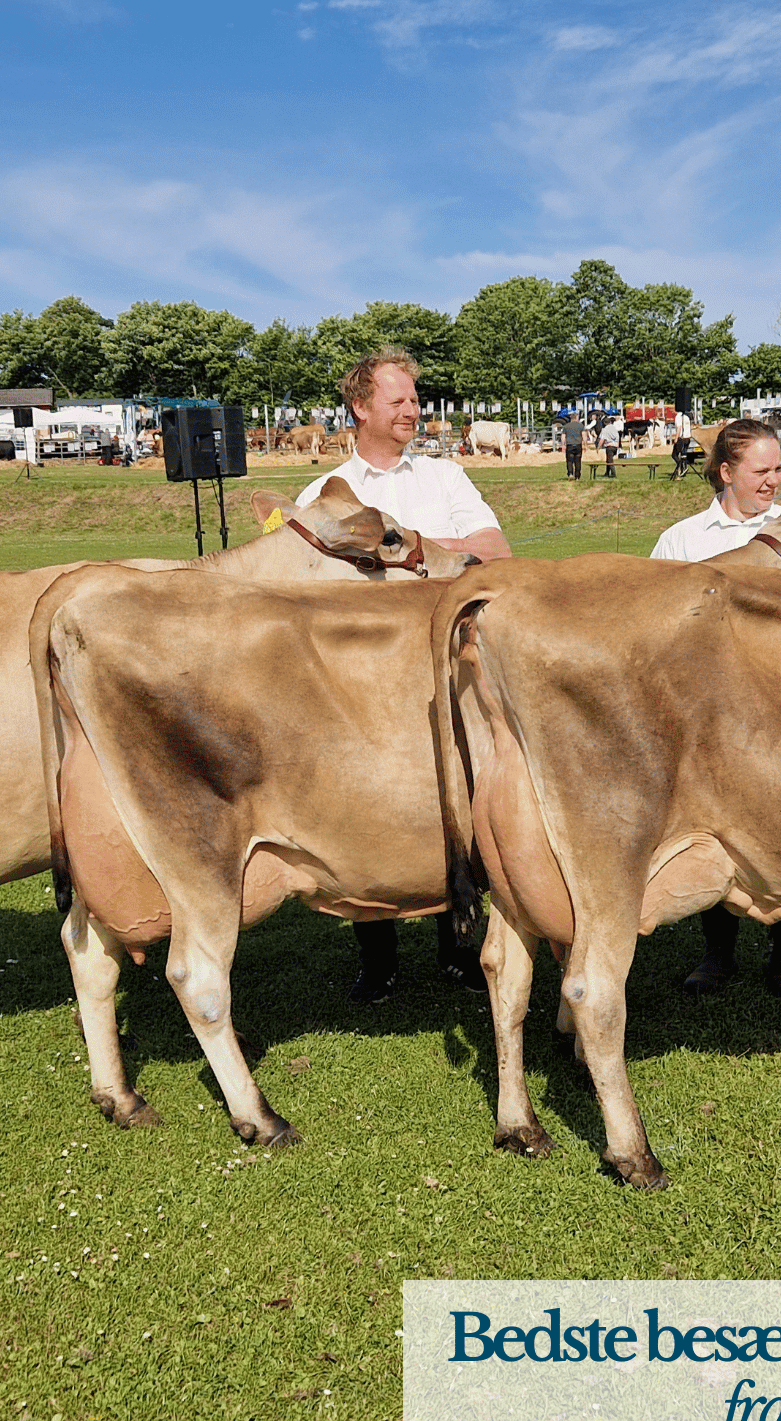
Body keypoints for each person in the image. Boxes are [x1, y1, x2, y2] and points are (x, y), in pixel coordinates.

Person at [298, 348, 512, 1003]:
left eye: (415, 399)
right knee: (363, 807)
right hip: (356, 679)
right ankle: (377, 957)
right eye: (398, 400)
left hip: (444, 664)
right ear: (360, 407)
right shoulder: (325, 493)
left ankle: (458, 948)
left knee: (455, 795)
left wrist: (405, 551)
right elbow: (302, 587)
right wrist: (442, 558)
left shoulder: (444, 477)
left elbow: (498, 553)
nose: (412, 410)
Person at [649, 418, 781, 998]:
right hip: (708, 714)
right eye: (761, 470)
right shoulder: (682, 540)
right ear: (725, 472)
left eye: (778, 469)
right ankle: (717, 953)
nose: (774, 481)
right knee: (714, 828)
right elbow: (652, 624)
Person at [560, 411, 586, 478]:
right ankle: (577, 476)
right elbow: (584, 435)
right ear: (577, 418)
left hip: (569, 445)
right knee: (578, 461)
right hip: (578, 444)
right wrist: (585, 444)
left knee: (569, 460)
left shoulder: (566, 426)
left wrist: (563, 445)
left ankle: (570, 473)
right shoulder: (581, 426)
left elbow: (563, 436)